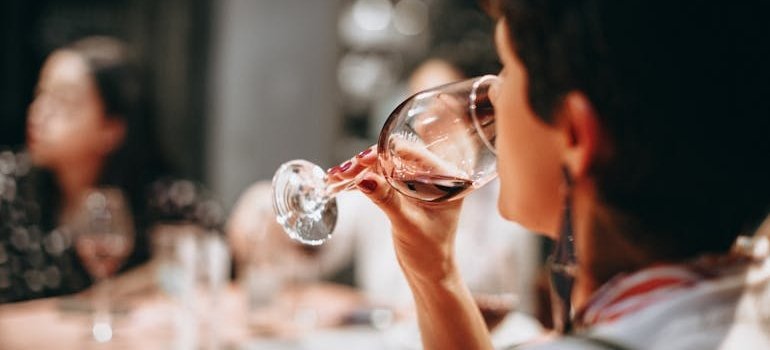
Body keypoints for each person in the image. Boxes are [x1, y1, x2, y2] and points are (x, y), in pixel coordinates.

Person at [332, 0, 770, 349]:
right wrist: (436, 272)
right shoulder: (745, 297)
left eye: (508, 67)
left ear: (576, 138)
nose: (493, 97)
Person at [0, 36, 168, 302]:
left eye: (63, 101)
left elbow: (206, 249)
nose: (38, 112)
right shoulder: (9, 186)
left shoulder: (154, 195)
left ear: (110, 129)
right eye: (40, 94)